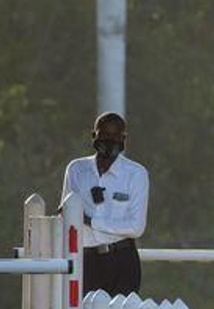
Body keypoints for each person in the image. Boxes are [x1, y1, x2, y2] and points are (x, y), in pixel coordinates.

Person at [62, 112, 149, 296]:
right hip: (86, 259)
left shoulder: (136, 174)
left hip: (122, 258)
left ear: (123, 139)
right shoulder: (76, 169)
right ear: (94, 136)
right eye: (104, 135)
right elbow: (67, 213)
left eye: (115, 136)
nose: (110, 141)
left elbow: (136, 227)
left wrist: (91, 221)